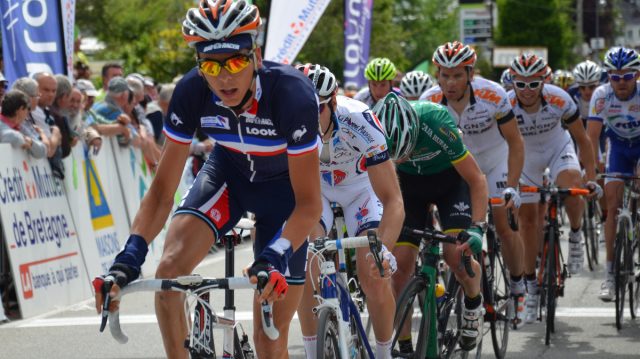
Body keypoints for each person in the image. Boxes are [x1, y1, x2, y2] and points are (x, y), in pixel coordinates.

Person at [92, 1, 321, 358]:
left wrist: (276, 255)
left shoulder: (291, 93)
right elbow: (162, 192)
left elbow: (309, 204)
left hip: (284, 197)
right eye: (211, 65)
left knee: (270, 339)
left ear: (256, 56)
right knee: (169, 273)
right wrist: (129, 257)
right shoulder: (191, 90)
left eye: (235, 61)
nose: (223, 76)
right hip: (228, 178)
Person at [294, 64, 403, 359]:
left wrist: (386, 250)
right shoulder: (285, 122)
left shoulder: (360, 120)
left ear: (332, 101)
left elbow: (393, 200)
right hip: (317, 192)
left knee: (374, 273)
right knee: (304, 263)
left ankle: (383, 353)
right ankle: (312, 351)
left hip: (360, 190)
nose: (305, 118)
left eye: (314, 110)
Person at [421, 41, 527, 324]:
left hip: (494, 161)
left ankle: (518, 288)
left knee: (504, 225)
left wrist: (512, 187)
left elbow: (516, 143)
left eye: (457, 75)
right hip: (457, 166)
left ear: (470, 74)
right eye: (444, 75)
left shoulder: (493, 95)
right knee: (456, 234)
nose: (450, 82)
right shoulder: (428, 99)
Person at [373, 93, 488, 353]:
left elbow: (477, 179)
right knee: (399, 266)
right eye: (397, 155)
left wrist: (477, 226)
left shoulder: (437, 122)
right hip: (408, 189)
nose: (403, 157)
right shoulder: (373, 126)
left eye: (407, 151)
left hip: (450, 184)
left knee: (456, 254)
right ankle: (404, 347)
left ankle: (472, 302)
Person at [508, 53, 601, 324]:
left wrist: (592, 178)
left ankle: (574, 235)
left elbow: (583, 140)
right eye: (520, 84)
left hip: (557, 148)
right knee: (526, 219)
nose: (526, 91)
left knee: (572, 184)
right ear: (513, 82)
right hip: (526, 156)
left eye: (533, 84)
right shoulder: (506, 103)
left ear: (543, 81)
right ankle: (530, 286)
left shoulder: (560, 98)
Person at [585, 47, 640, 301]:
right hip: (617, 147)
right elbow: (592, 137)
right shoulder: (601, 95)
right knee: (612, 204)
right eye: (614, 76)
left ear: (636, 76)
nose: (620, 82)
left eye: (627, 76)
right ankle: (609, 275)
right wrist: (595, 170)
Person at [0, 90, 47, 158]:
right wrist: (23, 140)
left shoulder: (21, 127)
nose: (28, 114)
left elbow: (43, 151)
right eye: (28, 109)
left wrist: (31, 143)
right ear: (21, 109)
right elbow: (9, 137)